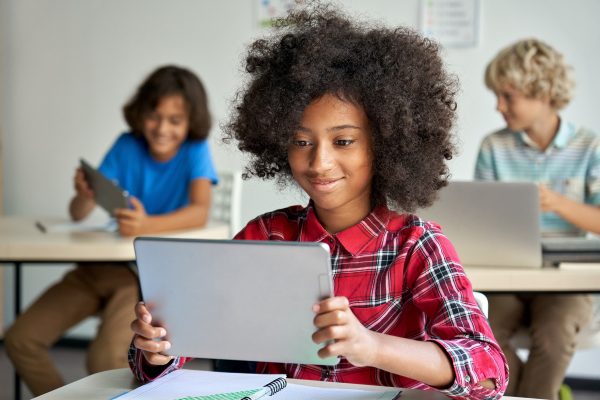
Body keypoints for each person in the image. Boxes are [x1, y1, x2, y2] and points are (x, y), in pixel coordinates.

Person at [129, 5, 508, 399]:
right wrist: (158, 349)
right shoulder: (267, 236)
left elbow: (487, 372)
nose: (319, 162)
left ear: (385, 145)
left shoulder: (418, 247)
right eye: (301, 141)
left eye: (343, 141)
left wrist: (371, 346)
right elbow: (173, 351)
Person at [5, 65, 218, 396]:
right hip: (101, 267)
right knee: (21, 338)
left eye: (174, 120)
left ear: (191, 122)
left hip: (142, 279)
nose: (162, 128)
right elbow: (78, 214)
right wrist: (84, 195)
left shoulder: (194, 150)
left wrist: (147, 226)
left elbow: (200, 210)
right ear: (140, 113)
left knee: (105, 359)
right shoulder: (126, 145)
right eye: (154, 116)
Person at [475, 38, 596, 400]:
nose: (498, 106)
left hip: (563, 277)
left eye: (508, 96)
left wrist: (557, 203)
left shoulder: (590, 147)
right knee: (481, 332)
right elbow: (481, 219)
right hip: (506, 273)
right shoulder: (493, 147)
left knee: (554, 334)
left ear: (542, 93)